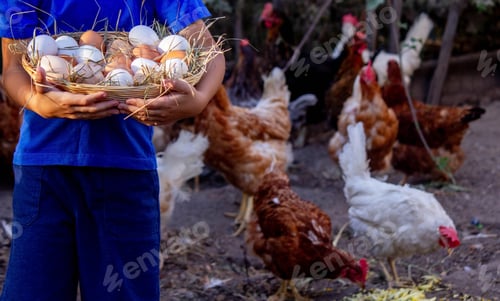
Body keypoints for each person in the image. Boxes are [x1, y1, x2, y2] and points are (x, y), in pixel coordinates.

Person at [0, 0, 225, 300]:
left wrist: (197, 101)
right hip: (44, 172)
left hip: (125, 172)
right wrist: (38, 101)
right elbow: (12, 68)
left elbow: (210, 52)